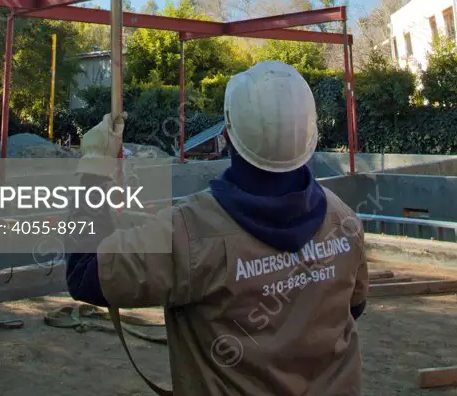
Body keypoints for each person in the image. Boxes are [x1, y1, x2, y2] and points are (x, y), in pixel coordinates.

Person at [67, 61, 368, 395]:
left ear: (226, 133)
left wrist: (95, 167)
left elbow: (85, 271)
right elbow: (352, 308)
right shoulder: (344, 221)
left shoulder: (189, 231)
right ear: (311, 136)